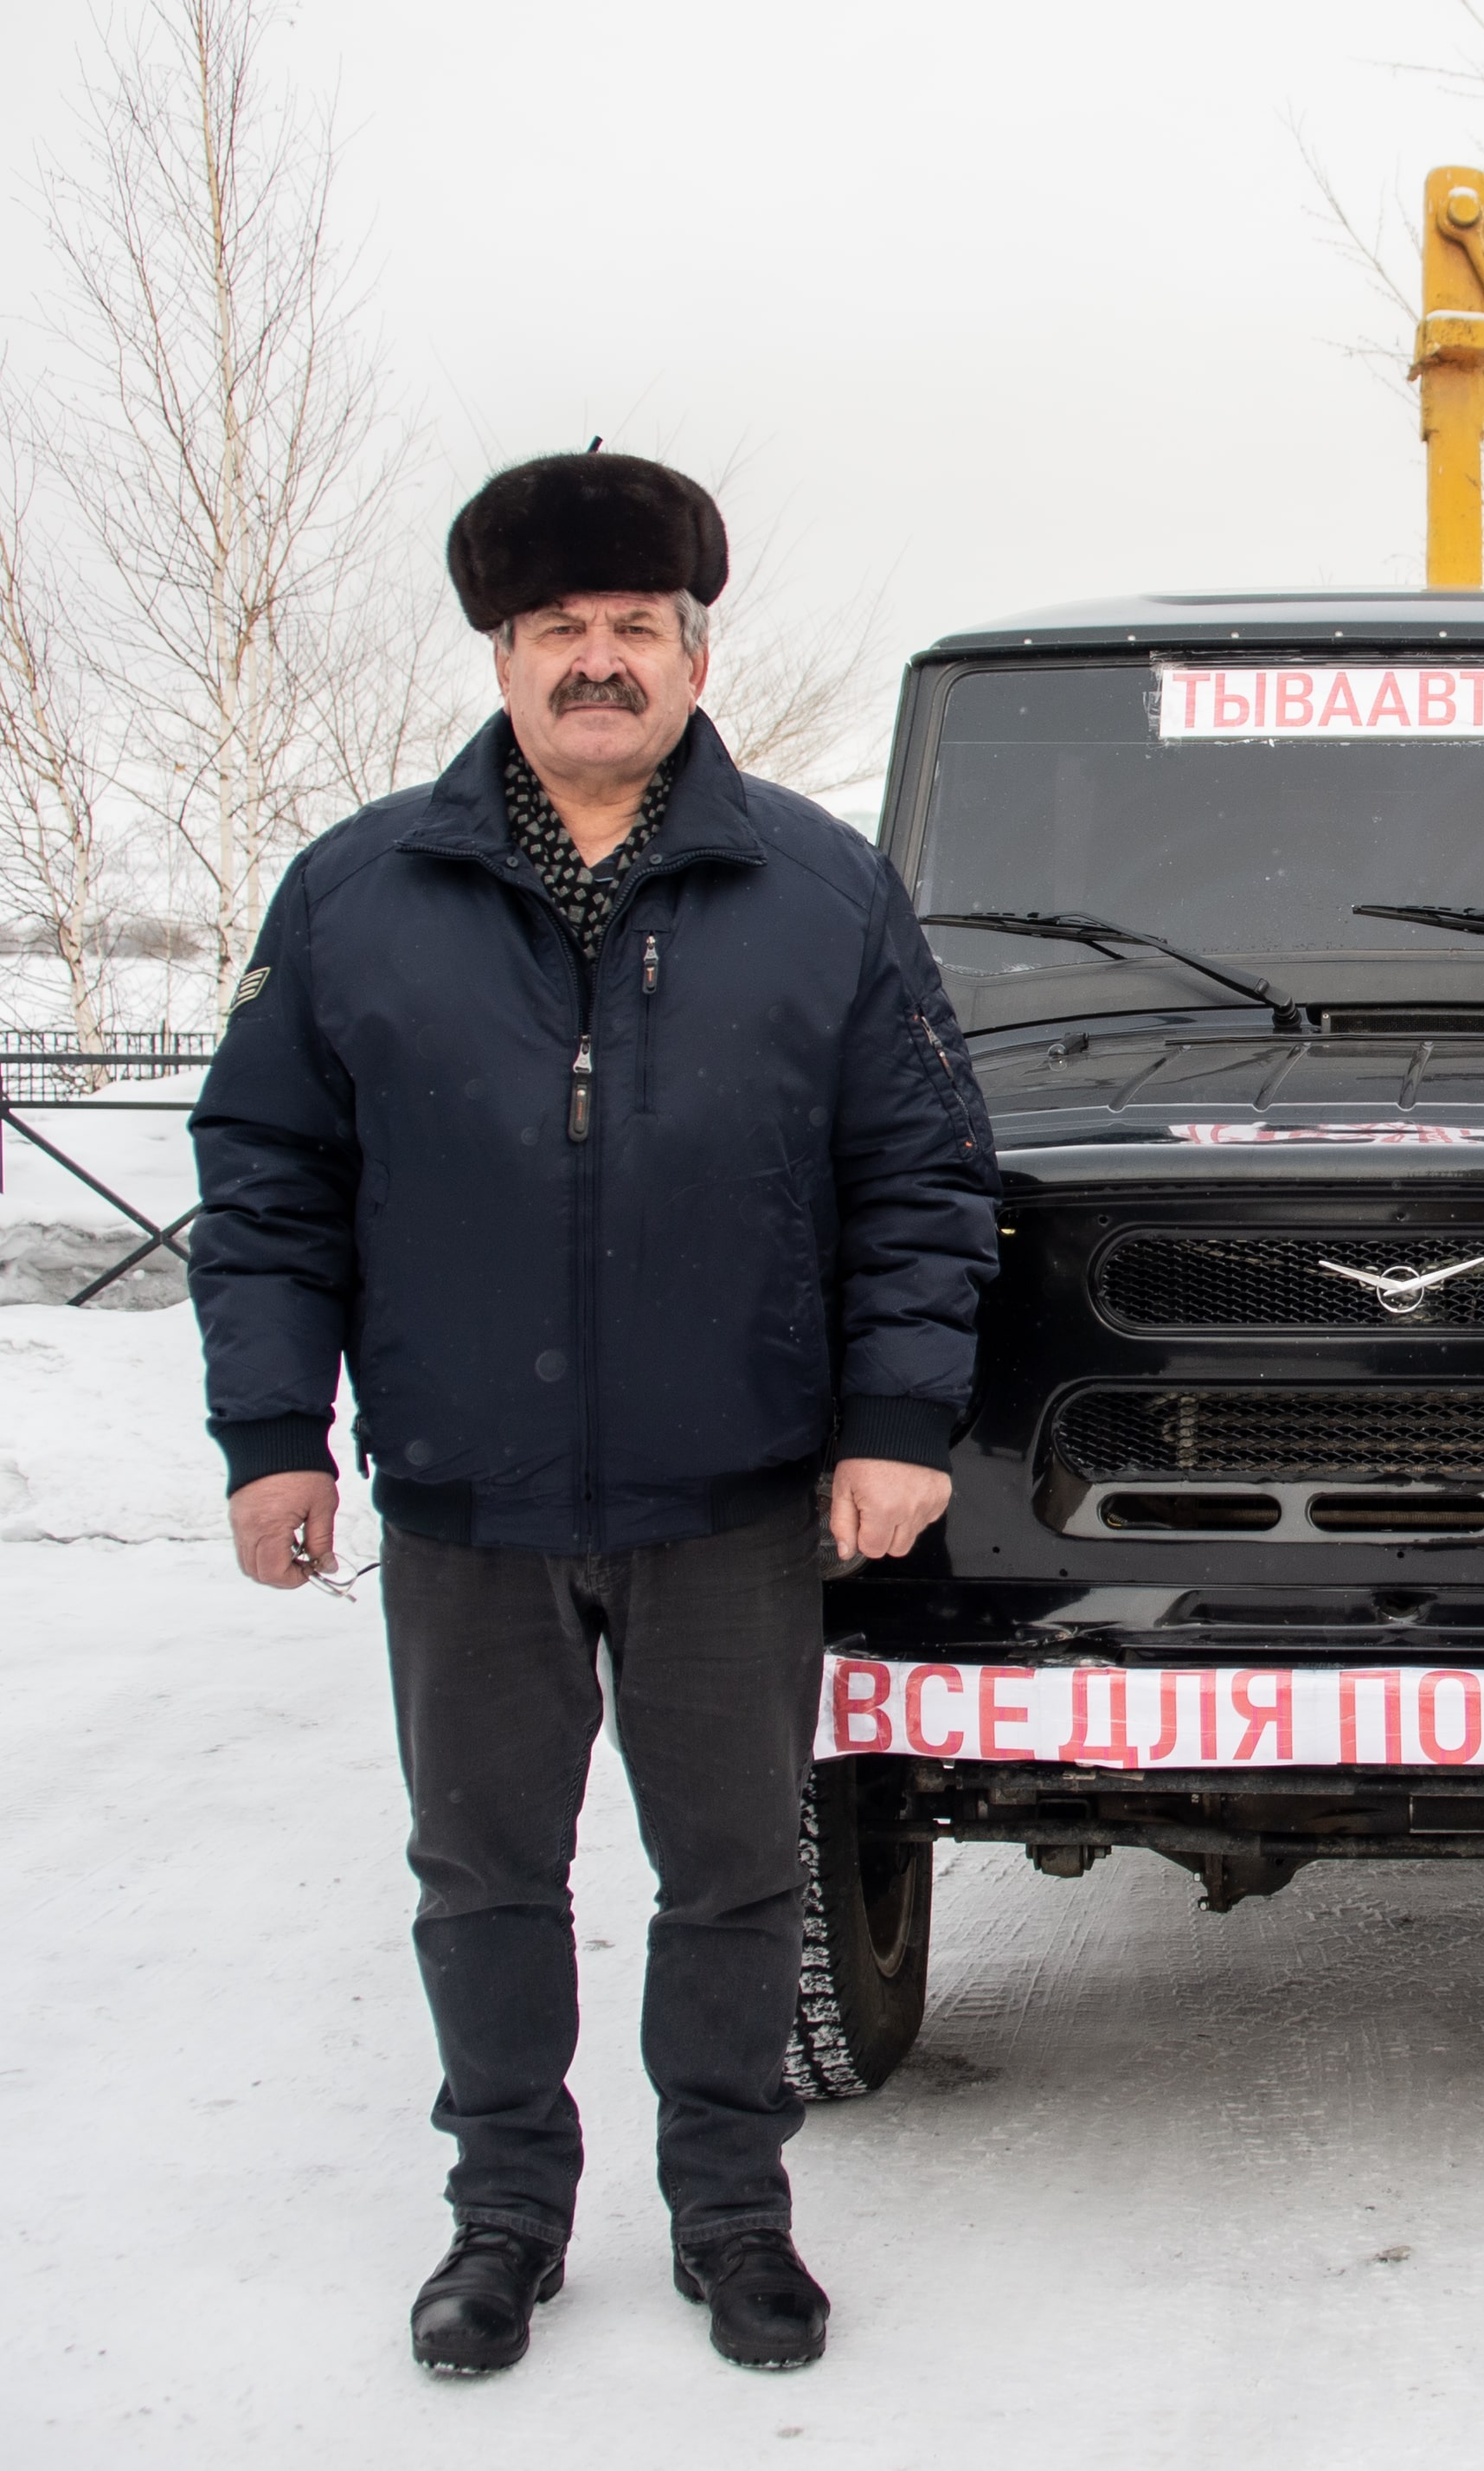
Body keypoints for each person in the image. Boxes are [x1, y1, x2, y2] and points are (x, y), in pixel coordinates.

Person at [190, 450, 999, 2375]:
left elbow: (922, 1180)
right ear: (500, 656)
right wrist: (274, 1438)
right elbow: (269, 1184)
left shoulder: (819, 890)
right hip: (472, 1497)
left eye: (637, 626)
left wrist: (895, 1417)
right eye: (559, 630)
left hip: (730, 1494)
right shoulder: (358, 894)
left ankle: (733, 2215)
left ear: (696, 656)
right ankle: (504, 2219)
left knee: (734, 1873)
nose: (599, 661)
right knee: (482, 1874)